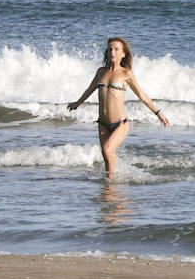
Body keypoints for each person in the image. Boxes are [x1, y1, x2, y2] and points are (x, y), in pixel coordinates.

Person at [67, 37, 169, 177]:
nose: (112, 52)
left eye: (116, 49)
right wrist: (77, 104)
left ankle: (111, 182)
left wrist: (158, 113)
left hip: (120, 123)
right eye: (110, 49)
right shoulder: (101, 72)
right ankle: (112, 185)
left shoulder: (126, 74)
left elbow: (142, 95)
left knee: (107, 150)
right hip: (102, 124)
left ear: (123, 53)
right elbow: (89, 89)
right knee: (108, 155)